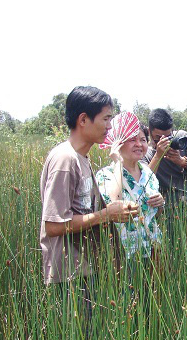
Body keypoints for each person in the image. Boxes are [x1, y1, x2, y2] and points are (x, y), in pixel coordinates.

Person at [39, 86, 137, 306]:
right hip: (68, 276)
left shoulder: (81, 159)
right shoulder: (65, 160)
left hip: (84, 269)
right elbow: (53, 226)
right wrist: (106, 215)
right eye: (106, 119)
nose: (110, 126)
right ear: (83, 120)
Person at [95, 113, 165, 268]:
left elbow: (155, 214)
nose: (139, 144)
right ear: (118, 143)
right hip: (123, 253)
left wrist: (160, 203)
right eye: (132, 140)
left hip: (152, 248)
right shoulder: (106, 174)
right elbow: (115, 202)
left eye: (142, 140)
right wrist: (118, 161)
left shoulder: (149, 174)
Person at [142, 109, 187, 241]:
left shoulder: (181, 137)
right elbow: (144, 182)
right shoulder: (146, 153)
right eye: (158, 138)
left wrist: (182, 161)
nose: (164, 141)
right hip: (173, 213)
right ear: (149, 132)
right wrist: (158, 155)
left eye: (168, 136)